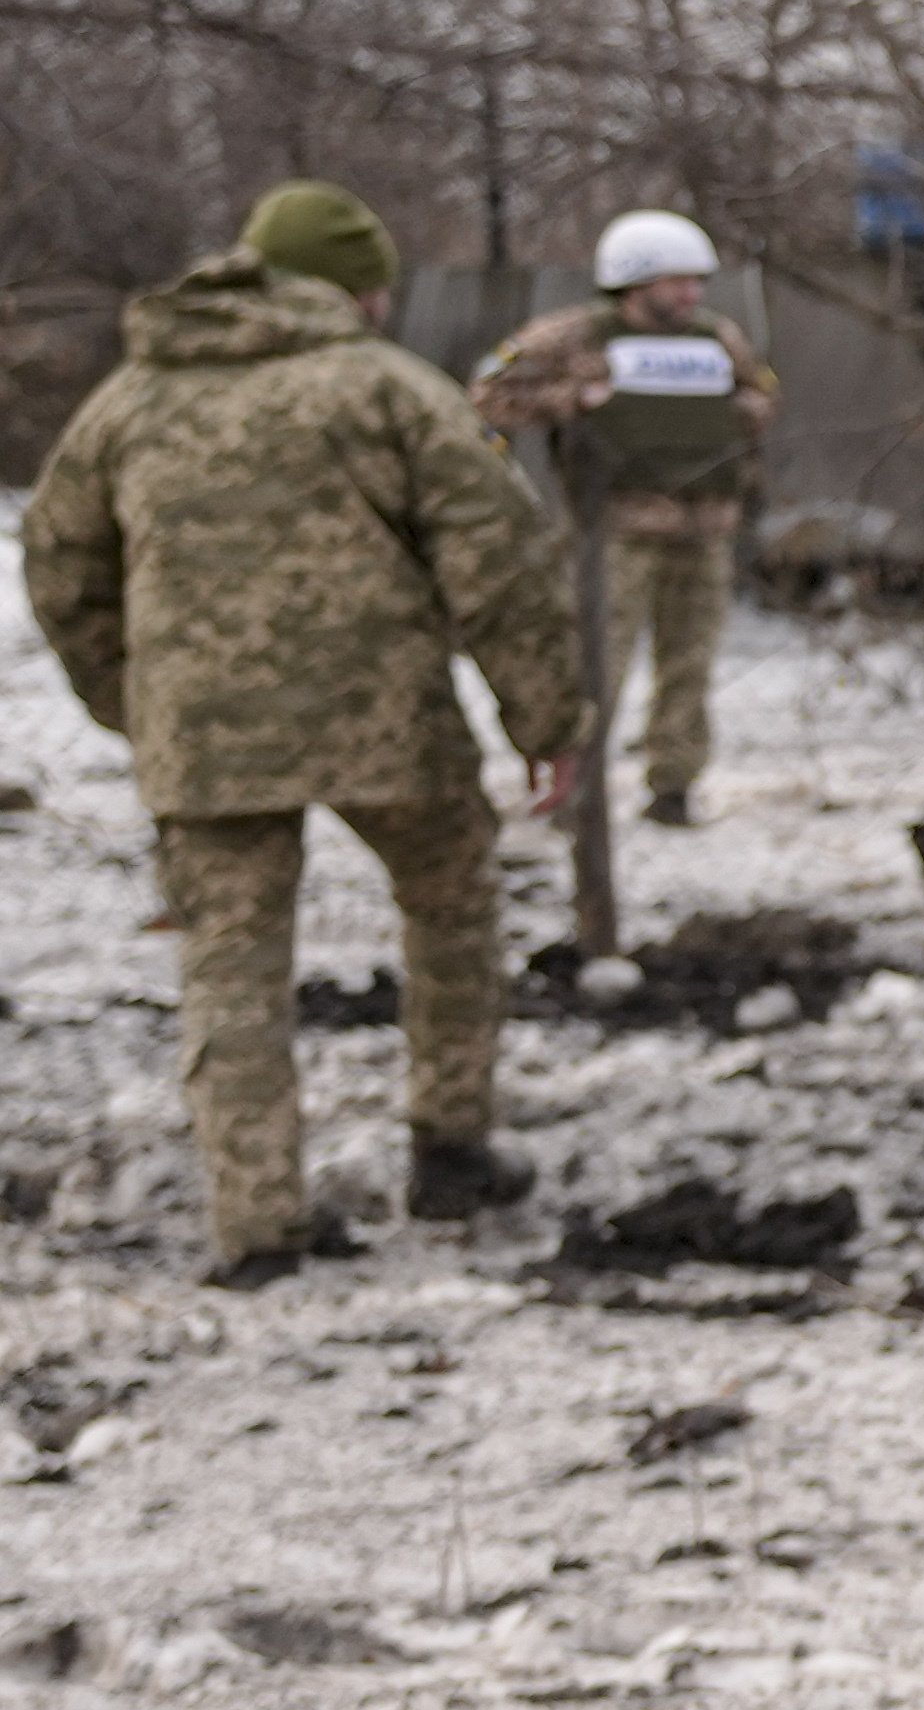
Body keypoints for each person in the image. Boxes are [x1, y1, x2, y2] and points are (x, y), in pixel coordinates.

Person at [25, 182, 583, 1285]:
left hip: (205, 741)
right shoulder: (389, 389)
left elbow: (58, 564)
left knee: (230, 963)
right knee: (452, 900)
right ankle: (453, 1145)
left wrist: (134, 704)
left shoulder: (133, 398)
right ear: (352, 290)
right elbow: (499, 557)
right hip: (388, 726)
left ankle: (258, 1223)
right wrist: (548, 719)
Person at [472, 208, 774, 827]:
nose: (692, 294)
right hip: (615, 534)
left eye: (696, 282)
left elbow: (763, 395)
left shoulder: (715, 337)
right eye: (677, 282)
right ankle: (577, 790)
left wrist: (732, 409)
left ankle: (674, 786)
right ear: (635, 282)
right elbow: (489, 391)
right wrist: (573, 399)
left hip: (705, 528)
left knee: (689, 665)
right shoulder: (577, 337)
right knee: (596, 666)